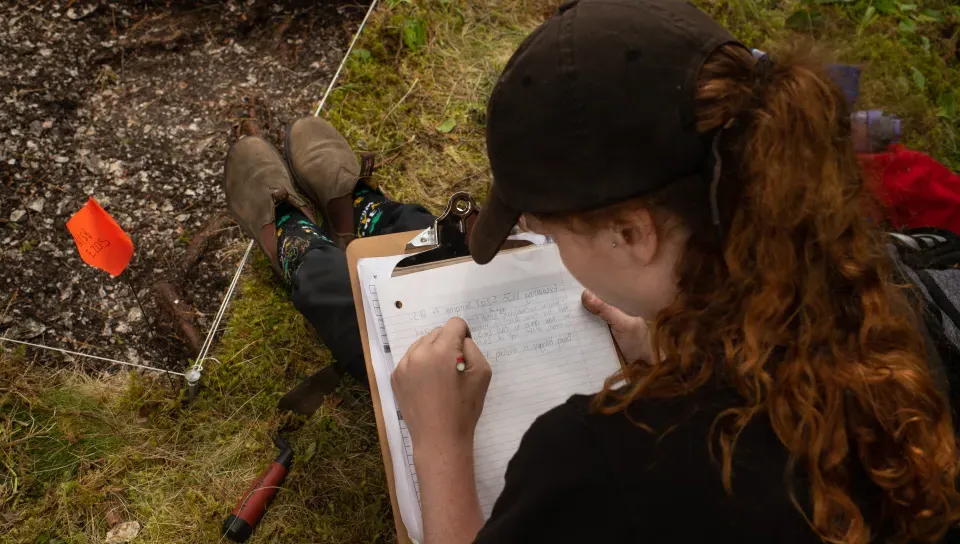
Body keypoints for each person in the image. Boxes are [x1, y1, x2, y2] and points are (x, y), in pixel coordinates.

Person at [385, 0, 960, 543]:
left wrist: (440, 442)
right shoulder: (880, 278)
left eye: (553, 234)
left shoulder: (607, 462)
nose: (553, 250)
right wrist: (677, 350)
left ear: (633, 234)